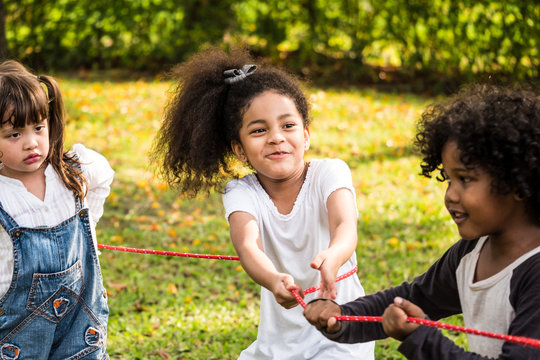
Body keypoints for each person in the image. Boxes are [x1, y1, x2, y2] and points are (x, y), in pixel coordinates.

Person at [152, 48, 375, 359]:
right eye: (259, 130)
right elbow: (248, 246)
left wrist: (333, 257)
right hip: (278, 342)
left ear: (306, 135)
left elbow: (345, 226)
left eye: (288, 126)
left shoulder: (330, 173)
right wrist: (273, 280)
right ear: (240, 149)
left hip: (340, 333)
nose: (275, 138)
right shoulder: (241, 193)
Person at [303, 84, 540, 359]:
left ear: (519, 184)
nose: (450, 194)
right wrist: (343, 315)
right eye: (449, 179)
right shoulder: (472, 253)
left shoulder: (534, 273)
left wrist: (419, 338)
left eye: (465, 179)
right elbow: (417, 297)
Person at [0, 60, 113, 359]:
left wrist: (89, 231)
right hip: (17, 332)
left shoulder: (70, 172)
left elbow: (103, 178)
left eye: (38, 128)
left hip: (79, 324)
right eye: (14, 134)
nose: (31, 143)